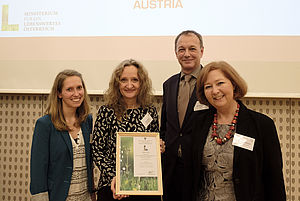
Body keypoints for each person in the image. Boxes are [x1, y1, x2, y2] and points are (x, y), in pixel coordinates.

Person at [191, 61, 286, 201]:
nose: (215, 91)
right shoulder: (197, 123)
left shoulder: (261, 125)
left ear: (234, 84)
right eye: (208, 87)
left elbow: (273, 179)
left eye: (220, 83)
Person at [92, 59, 162, 201]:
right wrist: (117, 177)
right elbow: (97, 150)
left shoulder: (150, 111)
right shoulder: (106, 111)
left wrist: (158, 147)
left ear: (142, 83)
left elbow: (152, 146)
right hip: (112, 185)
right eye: (124, 80)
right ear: (117, 83)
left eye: (135, 80)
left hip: (145, 186)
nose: (129, 85)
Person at [30, 70, 95, 201]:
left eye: (79, 88)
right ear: (59, 93)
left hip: (85, 197)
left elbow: (89, 162)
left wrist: (92, 192)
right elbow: (38, 170)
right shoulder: (45, 125)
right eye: (69, 89)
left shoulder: (87, 120)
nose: (76, 94)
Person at [160, 30, 205, 201]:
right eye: (181, 49)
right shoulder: (168, 84)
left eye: (192, 49)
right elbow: (165, 126)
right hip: (172, 167)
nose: (187, 54)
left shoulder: (210, 82)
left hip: (199, 167)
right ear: (176, 53)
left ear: (201, 51)